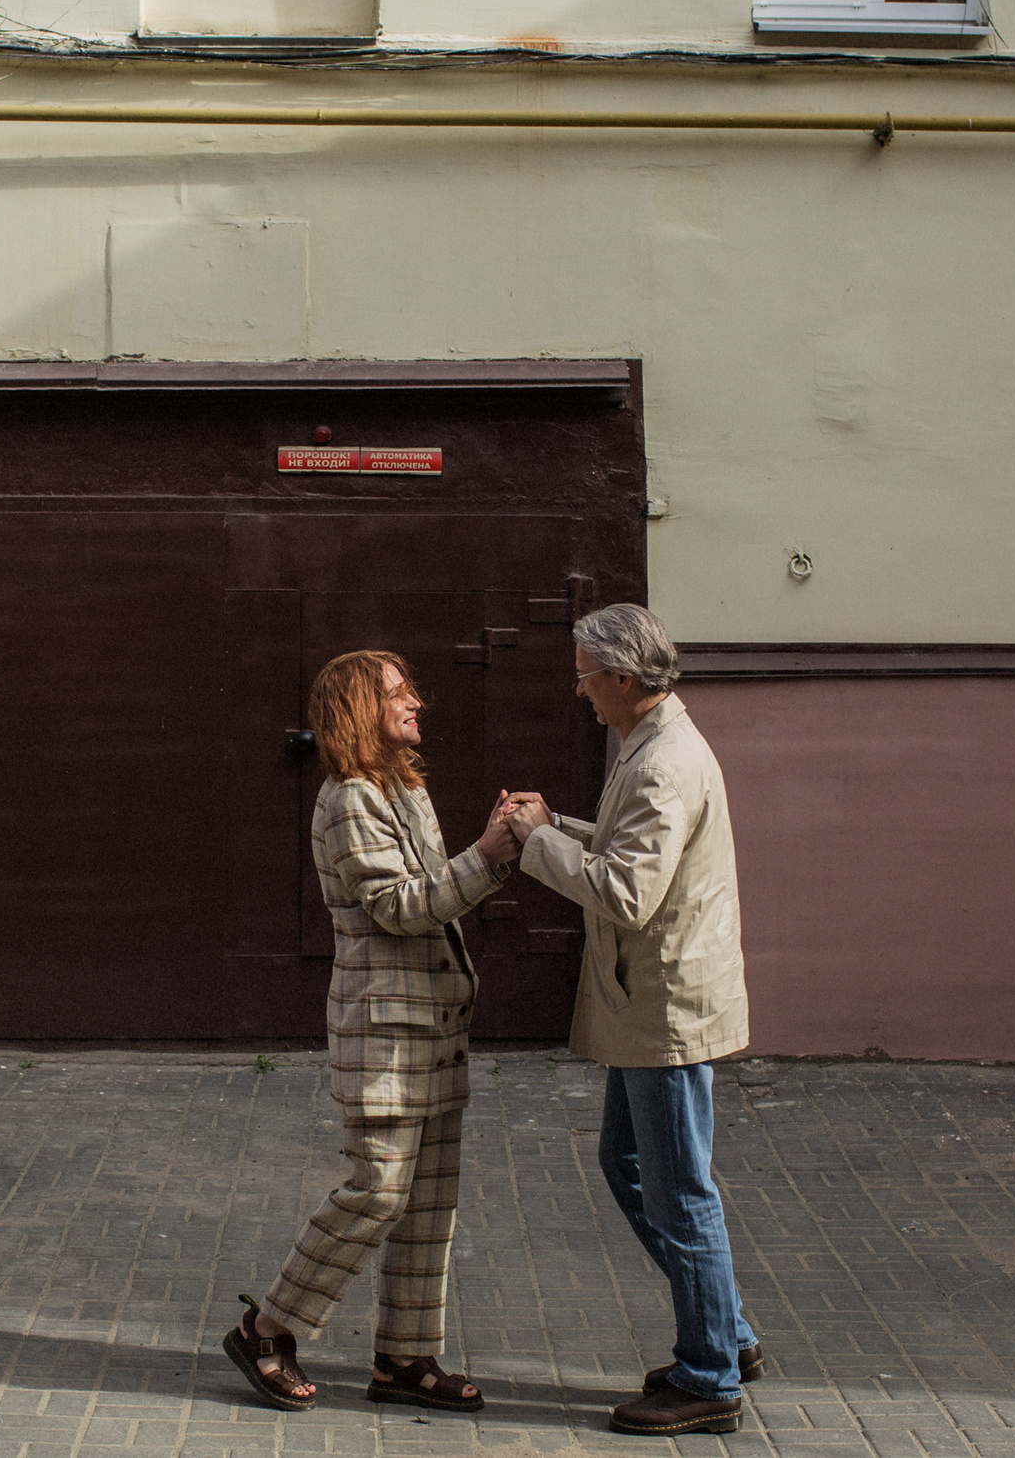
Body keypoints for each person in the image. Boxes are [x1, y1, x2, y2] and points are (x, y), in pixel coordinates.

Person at [221, 650, 527, 1414]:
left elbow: (433, 888)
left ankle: (405, 1357)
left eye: (411, 688)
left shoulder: (404, 788)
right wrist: (488, 858)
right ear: (359, 708)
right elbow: (399, 905)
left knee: (428, 1201)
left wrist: (488, 850)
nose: (415, 701)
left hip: (436, 1022)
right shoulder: (350, 796)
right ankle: (266, 1328)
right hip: (385, 1030)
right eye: (397, 692)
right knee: (380, 1191)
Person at [506, 603, 759, 1436]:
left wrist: (540, 844)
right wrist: (554, 826)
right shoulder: (652, 744)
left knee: (678, 1190)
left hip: (665, 1008)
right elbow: (624, 850)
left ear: (622, 677)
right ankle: (725, 1333)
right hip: (652, 1002)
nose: (578, 690)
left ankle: (710, 1374)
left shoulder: (662, 763)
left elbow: (627, 891)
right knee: (631, 1165)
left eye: (584, 674)